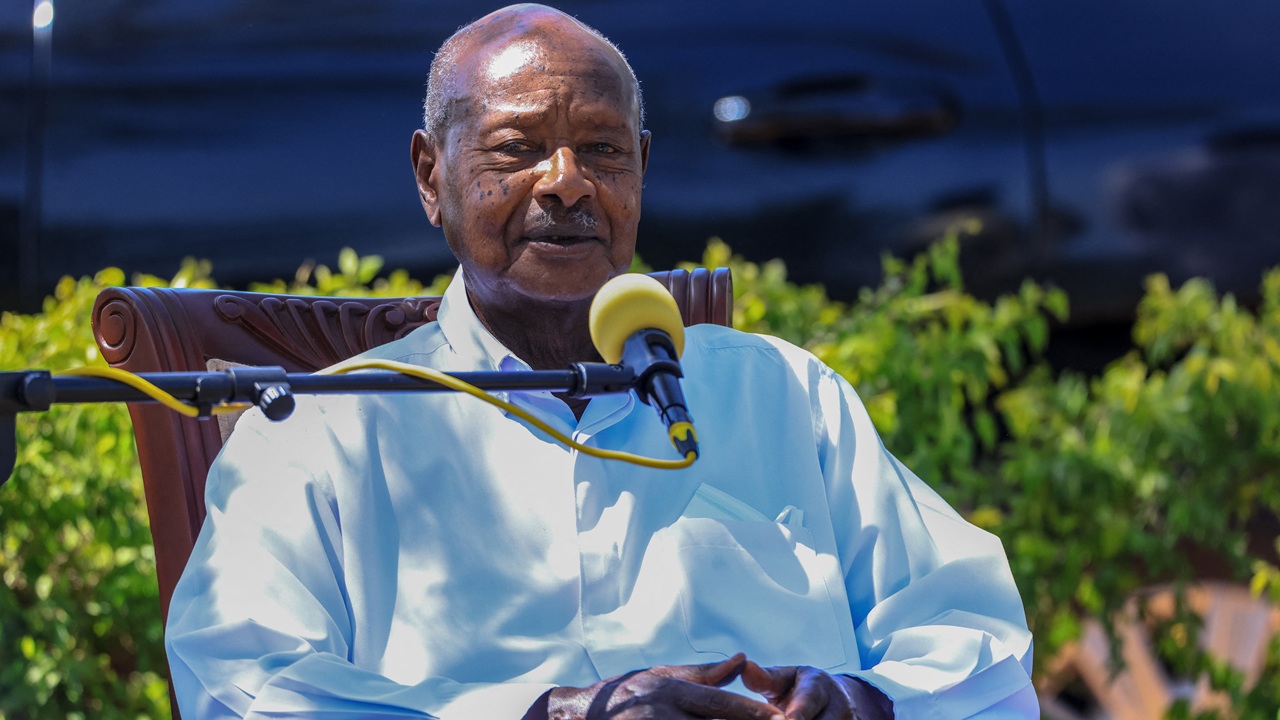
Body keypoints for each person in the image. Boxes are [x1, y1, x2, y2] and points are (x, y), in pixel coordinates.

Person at [164, 4, 1038, 718]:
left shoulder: (779, 393)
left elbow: (982, 649)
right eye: (516, 148)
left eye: (605, 150)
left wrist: (860, 705)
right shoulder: (324, 425)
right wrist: (553, 716)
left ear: (643, 171)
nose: (567, 181)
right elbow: (242, 683)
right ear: (431, 176)